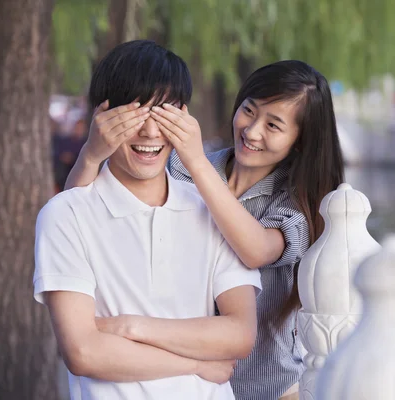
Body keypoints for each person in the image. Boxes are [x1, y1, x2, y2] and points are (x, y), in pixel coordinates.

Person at [66, 59, 345, 399]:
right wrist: (92, 156)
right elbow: (74, 215)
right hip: (176, 379)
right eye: (249, 111)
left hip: (262, 388)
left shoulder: (296, 206)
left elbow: (255, 250)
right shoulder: (179, 168)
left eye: (273, 125)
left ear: (300, 140)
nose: (252, 131)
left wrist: (197, 162)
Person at [34, 40, 262, 400]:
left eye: (162, 114)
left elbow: (240, 334)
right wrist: (197, 364)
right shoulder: (65, 215)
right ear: (102, 117)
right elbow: (83, 352)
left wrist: (130, 327)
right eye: (135, 114)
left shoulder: (214, 211)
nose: (151, 133)